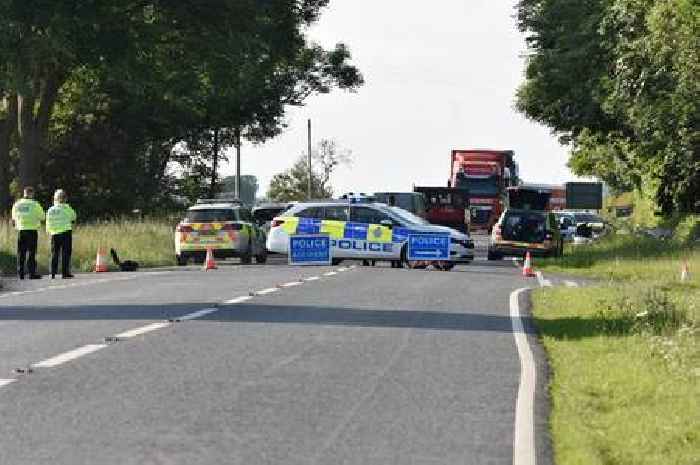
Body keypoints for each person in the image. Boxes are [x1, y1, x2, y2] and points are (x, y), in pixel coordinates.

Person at [11, 186, 45, 280]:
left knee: (21, 253)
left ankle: (20, 273)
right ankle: (31, 273)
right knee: (31, 252)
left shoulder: (17, 204)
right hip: (32, 230)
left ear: (24, 193)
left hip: (21, 231)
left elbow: (13, 218)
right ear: (31, 194)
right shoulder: (35, 204)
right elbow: (42, 217)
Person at [46, 189, 77, 279]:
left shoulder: (51, 210)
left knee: (54, 253)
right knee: (65, 253)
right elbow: (73, 217)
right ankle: (65, 273)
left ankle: (52, 273)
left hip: (54, 233)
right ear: (65, 198)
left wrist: (49, 231)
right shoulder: (67, 208)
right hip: (65, 232)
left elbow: (48, 221)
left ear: (55, 198)